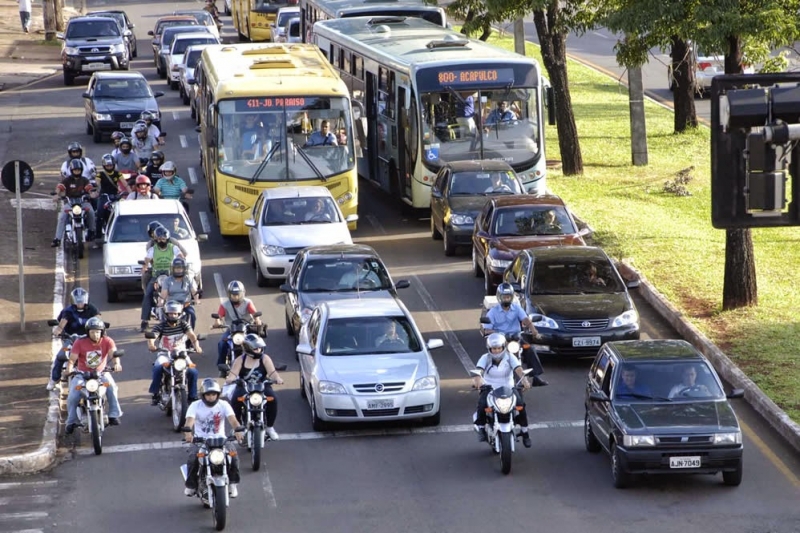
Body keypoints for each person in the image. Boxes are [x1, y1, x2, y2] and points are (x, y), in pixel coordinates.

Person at [182, 378, 242, 498]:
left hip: (221, 439)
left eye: (213, 394)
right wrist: (188, 432)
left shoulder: (224, 405)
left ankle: (233, 483)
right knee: (193, 458)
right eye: (208, 394)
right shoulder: (195, 405)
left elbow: (233, 419)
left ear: (218, 394)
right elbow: (189, 421)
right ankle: (191, 485)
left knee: (234, 457)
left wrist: (237, 430)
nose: (211, 397)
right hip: (201, 441)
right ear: (203, 395)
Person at [471, 333, 532, 447]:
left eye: (499, 348)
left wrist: (524, 381)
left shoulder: (510, 357)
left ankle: (525, 432)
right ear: (489, 348)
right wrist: (477, 382)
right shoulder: (485, 358)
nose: (497, 351)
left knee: (521, 405)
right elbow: (479, 371)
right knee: (482, 405)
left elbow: (518, 369)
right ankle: (481, 429)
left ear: (503, 347)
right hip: (490, 389)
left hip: (509, 388)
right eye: (494, 348)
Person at [64, 317, 123, 434]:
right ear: (87, 332)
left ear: (102, 332)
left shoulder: (108, 341)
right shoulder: (79, 342)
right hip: (82, 375)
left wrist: (117, 364)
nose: (95, 335)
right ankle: (71, 421)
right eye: (92, 332)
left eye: (97, 332)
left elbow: (114, 354)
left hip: (102, 374)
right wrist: (69, 369)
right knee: (73, 395)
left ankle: (113, 415)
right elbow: (72, 360)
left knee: (111, 387)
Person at [483, 283, 548, 386]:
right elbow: (486, 330)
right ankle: (486, 380)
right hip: (501, 341)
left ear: (512, 297)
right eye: (504, 297)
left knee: (530, 349)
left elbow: (526, 319)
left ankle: (535, 377)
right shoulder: (492, 312)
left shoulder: (517, 308)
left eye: (508, 297)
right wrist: (496, 332)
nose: (506, 299)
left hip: (516, 338)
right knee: (491, 357)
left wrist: (534, 331)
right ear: (499, 297)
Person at [223, 334, 283, 440]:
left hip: (262, 386)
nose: (259, 350)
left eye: (260, 348)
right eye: (256, 348)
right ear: (248, 348)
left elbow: (272, 373)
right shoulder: (240, 360)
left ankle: (270, 427)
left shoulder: (265, 358)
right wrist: (230, 379)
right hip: (244, 386)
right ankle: (237, 426)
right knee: (235, 400)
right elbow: (232, 375)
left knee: (273, 399)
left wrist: (277, 379)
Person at [147, 300, 202, 405]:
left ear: (179, 314)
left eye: (175, 313)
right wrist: (151, 345)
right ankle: (155, 394)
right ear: (166, 314)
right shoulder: (161, 326)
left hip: (181, 355)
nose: (173, 315)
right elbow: (152, 337)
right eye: (170, 313)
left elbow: (192, 336)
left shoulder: (184, 324)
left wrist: (197, 346)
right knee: (158, 368)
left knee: (193, 372)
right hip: (165, 354)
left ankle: (192, 396)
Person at [47, 288, 100, 390]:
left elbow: (98, 321)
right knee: (61, 356)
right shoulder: (68, 311)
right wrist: (58, 330)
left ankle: (100, 378)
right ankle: (54, 379)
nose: (80, 304)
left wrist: (102, 331)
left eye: (82, 301)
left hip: (88, 340)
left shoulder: (92, 309)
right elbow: (62, 323)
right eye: (78, 302)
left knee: (98, 356)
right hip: (71, 339)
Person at [140, 227, 184, 331]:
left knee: (179, 291)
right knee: (148, 294)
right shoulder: (152, 249)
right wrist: (145, 265)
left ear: (167, 239)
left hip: (170, 275)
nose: (161, 241)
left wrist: (181, 260)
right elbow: (147, 258)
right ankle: (144, 321)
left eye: (163, 239)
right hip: (156, 276)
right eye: (158, 239)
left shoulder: (173, 247)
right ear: (155, 239)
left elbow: (180, 255)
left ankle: (182, 316)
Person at [214, 280, 263, 371]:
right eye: (233, 295)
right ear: (230, 295)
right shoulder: (225, 305)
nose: (236, 297)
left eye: (238, 294)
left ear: (242, 293)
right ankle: (221, 366)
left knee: (258, 343)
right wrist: (217, 322)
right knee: (222, 344)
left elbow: (254, 313)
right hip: (231, 330)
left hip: (246, 328)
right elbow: (219, 316)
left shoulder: (248, 302)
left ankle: (261, 364)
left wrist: (257, 320)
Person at [51, 159, 97, 248]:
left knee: (91, 211)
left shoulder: (84, 179)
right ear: (72, 170)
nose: (77, 171)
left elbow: (89, 188)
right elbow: (60, 187)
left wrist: (91, 193)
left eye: (79, 170)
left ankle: (91, 231)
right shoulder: (67, 180)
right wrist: (57, 194)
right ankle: (57, 239)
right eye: (75, 170)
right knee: (62, 217)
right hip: (70, 203)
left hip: (82, 202)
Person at [94, 154, 130, 244]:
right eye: (107, 165)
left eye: (111, 165)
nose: (109, 167)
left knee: (119, 213)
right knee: (100, 213)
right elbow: (97, 183)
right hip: (104, 196)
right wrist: (96, 189)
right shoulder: (100, 174)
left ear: (114, 165)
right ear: (104, 166)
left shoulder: (118, 173)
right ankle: (98, 235)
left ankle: (119, 233)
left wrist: (130, 192)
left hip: (114, 196)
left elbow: (125, 184)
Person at [159, 257, 200, 329]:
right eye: (176, 268)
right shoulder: (167, 280)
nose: (178, 270)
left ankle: (191, 335)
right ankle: (163, 334)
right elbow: (163, 295)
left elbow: (194, 291)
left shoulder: (189, 279)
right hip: (171, 304)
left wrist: (196, 299)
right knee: (163, 316)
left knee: (192, 314)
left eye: (180, 268)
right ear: (172, 269)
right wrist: (161, 302)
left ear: (184, 269)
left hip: (185, 304)